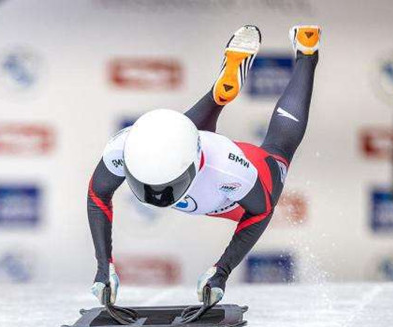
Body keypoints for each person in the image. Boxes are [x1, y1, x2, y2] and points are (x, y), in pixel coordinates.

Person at [88, 24, 320, 305]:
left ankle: (306, 54)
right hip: (196, 153)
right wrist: (104, 267)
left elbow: (260, 211)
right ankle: (227, 90)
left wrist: (221, 270)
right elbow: (97, 195)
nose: (158, 197)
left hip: (228, 171)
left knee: (278, 151)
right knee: (177, 131)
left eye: (165, 187)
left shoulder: (229, 169)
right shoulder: (122, 148)